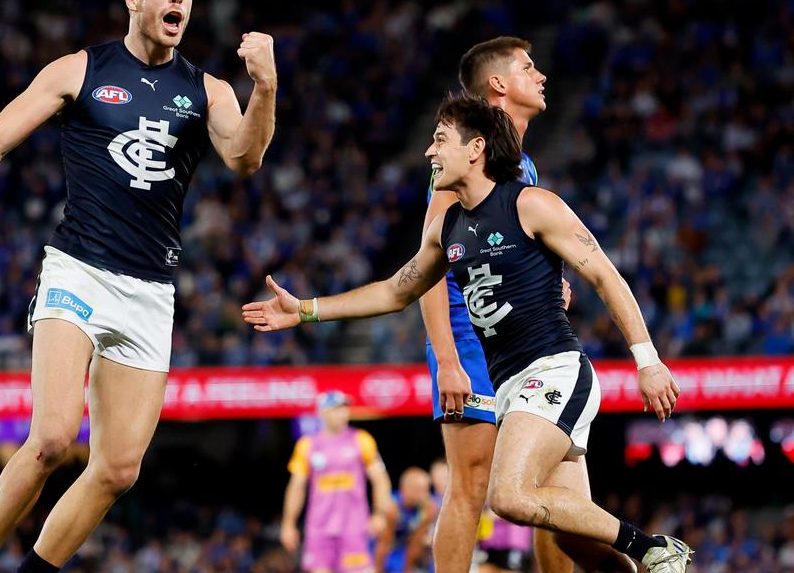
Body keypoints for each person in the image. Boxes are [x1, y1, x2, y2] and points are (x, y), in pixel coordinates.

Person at [0, 0, 277, 573]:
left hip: (151, 286)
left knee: (119, 470)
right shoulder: (79, 70)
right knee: (50, 438)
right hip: (78, 269)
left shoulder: (207, 89)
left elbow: (244, 157)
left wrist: (264, 86)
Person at [243, 95, 693, 572]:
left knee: (508, 496)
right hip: (510, 388)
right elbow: (395, 292)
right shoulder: (446, 229)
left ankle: (653, 547)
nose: (428, 153)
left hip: (554, 372)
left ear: (475, 148)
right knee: (575, 541)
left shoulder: (531, 204)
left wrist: (648, 362)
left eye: (439, 140)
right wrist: (306, 310)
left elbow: (606, 276)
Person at [420, 36, 628, 573]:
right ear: (498, 84)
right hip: (473, 342)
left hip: (525, 349)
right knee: (472, 486)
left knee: (554, 499)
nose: (541, 76)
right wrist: (447, 359)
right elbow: (427, 267)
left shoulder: (521, 165)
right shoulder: (465, 153)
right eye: (528, 67)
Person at [280, 391, 392, 573]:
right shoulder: (307, 445)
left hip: (354, 526)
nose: (343, 413)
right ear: (322, 413)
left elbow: (381, 480)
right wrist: (288, 523)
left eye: (345, 408)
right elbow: (296, 487)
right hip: (319, 528)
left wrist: (379, 513)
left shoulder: (362, 440)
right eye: (336, 409)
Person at [378, 468, 438, 573]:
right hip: (393, 548)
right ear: (407, 490)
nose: (426, 495)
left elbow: (416, 542)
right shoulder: (393, 507)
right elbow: (384, 543)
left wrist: (407, 570)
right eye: (421, 490)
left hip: (411, 548)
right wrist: (377, 569)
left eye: (427, 489)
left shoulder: (429, 508)